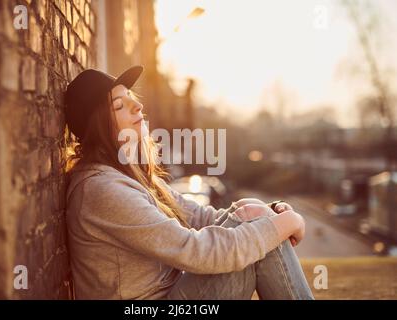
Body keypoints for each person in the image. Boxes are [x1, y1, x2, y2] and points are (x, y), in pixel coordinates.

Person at [64, 65, 314, 300]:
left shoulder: (126, 176)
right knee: (258, 239)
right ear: (99, 127)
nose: (137, 105)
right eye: (119, 106)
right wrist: (286, 223)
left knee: (255, 221)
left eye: (131, 96)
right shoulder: (102, 190)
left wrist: (267, 212)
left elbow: (198, 216)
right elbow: (196, 251)